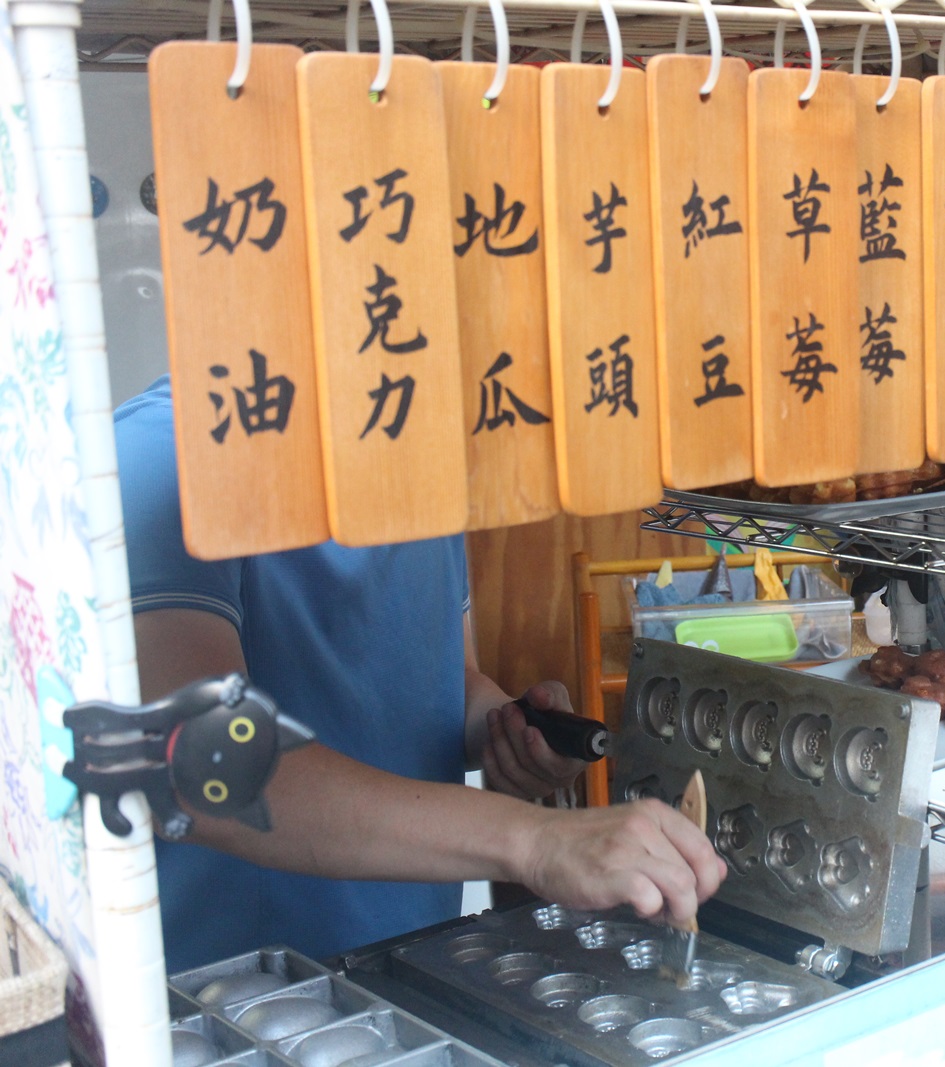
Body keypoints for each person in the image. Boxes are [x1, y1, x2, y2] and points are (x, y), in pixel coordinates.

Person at [115, 376, 723, 972]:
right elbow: (200, 762)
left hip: (406, 961)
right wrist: (535, 840)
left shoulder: (416, 465)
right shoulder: (163, 457)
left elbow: (448, 680)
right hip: (227, 997)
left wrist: (508, 729)